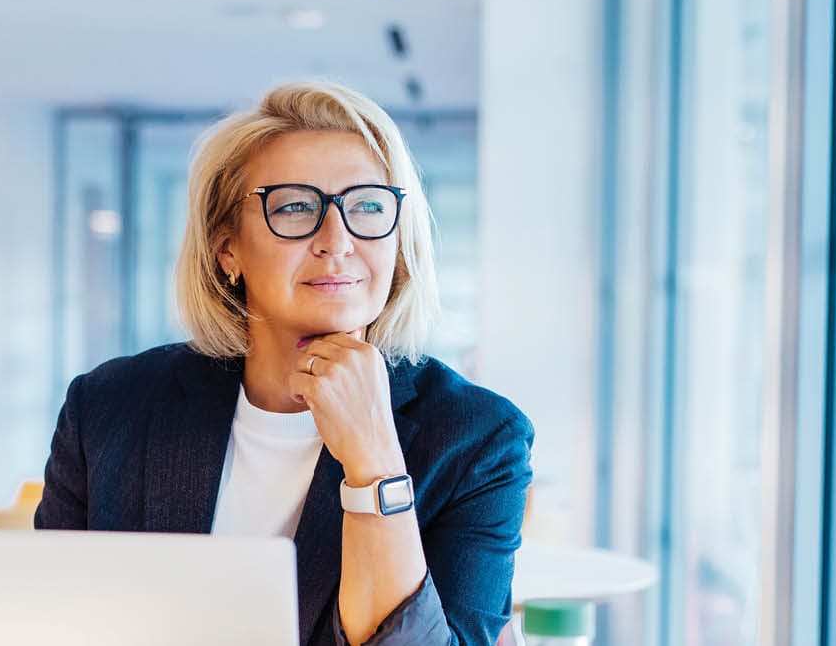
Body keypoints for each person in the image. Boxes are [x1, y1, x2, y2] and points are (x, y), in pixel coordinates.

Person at [35, 81, 533, 646]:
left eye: (368, 205)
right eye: (295, 206)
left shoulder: (478, 440)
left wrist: (373, 459)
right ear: (228, 250)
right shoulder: (108, 406)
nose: (337, 240)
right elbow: (52, 621)